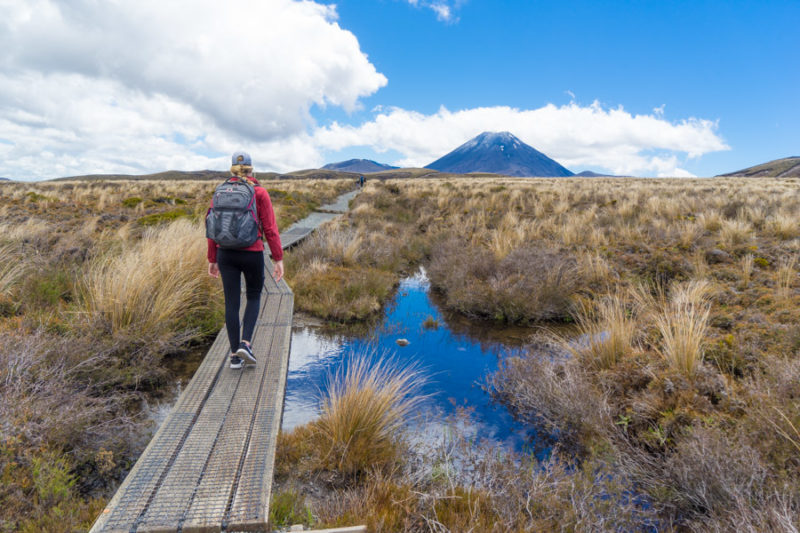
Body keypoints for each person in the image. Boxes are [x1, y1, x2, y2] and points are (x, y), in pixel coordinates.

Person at [207, 151, 284, 369]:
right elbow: (270, 228)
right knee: (253, 296)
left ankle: (234, 356)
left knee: (231, 302)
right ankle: (246, 343)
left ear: (232, 168)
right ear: (251, 169)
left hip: (226, 253)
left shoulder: (219, 192)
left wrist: (213, 258)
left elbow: (212, 225)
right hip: (252, 252)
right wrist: (278, 258)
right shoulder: (259, 192)